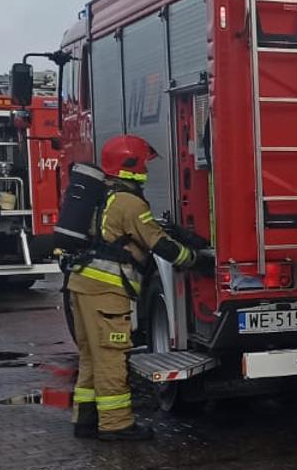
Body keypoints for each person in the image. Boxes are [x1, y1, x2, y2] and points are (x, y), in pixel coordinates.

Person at [66, 134, 208, 442]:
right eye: (143, 163)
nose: (146, 169)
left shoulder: (104, 195)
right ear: (131, 165)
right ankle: (116, 424)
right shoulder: (129, 202)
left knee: (91, 356)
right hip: (105, 291)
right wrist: (197, 259)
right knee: (111, 356)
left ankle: (86, 419)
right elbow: (161, 246)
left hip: (81, 285)